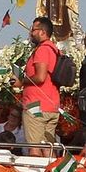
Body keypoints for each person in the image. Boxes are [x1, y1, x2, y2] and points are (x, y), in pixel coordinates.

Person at [21, 16, 62, 155]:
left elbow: (40, 77)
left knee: (35, 147)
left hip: (36, 104)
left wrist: (21, 81)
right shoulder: (54, 49)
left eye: (33, 30)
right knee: (48, 148)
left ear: (42, 32)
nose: (31, 33)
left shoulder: (43, 50)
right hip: (52, 104)